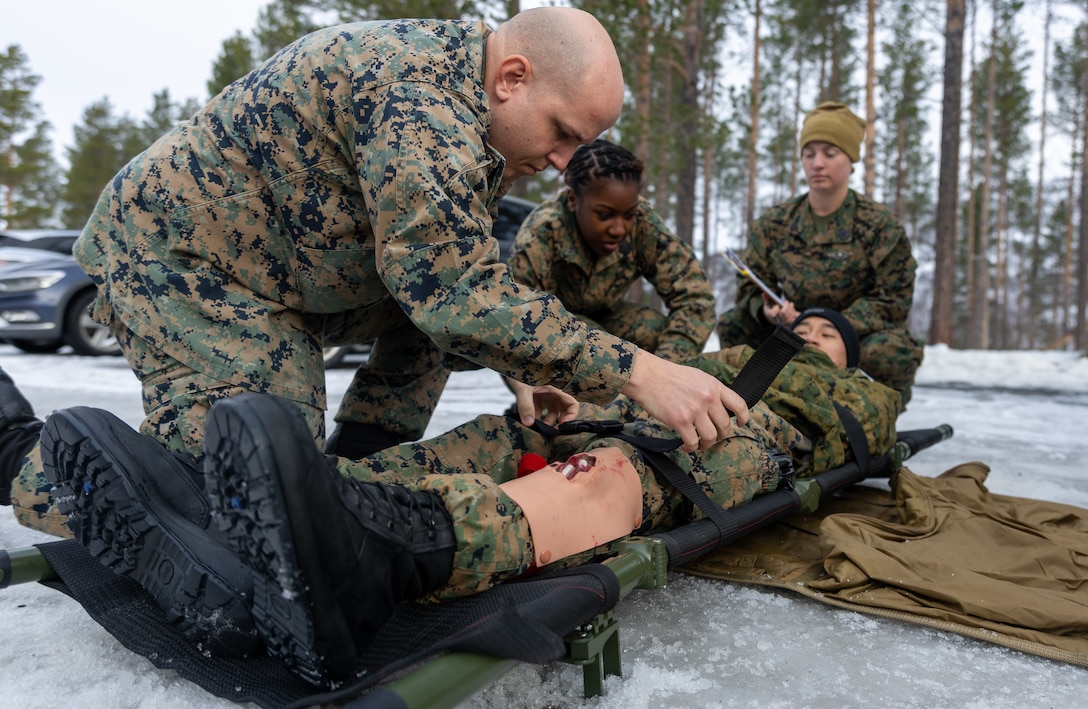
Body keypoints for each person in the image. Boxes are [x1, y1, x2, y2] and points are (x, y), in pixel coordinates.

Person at [3, 8, 750, 536]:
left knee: (412, 358)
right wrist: (642, 373)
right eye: (561, 134)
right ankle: (15, 449)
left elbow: (451, 277)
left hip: (288, 270)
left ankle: (356, 478)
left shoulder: (475, 115)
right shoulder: (416, 96)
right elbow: (454, 291)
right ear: (512, 77)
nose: (564, 163)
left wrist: (517, 367)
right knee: (231, 497)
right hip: (186, 263)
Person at [23, 308, 899, 686]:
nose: (810, 333)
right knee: (484, 441)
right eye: (803, 324)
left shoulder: (849, 393)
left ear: (845, 357)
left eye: (826, 333)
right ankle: (261, 519)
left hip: (730, 448)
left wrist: (821, 372)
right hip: (625, 421)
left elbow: (872, 429)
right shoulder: (721, 357)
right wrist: (580, 405)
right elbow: (646, 391)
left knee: (619, 479)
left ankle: (381, 563)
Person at [716, 101, 924, 405]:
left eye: (830, 153)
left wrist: (833, 328)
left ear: (851, 161)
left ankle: (875, 413)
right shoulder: (776, 223)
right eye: (809, 153)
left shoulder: (880, 226)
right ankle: (749, 404)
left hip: (853, 335)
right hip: (790, 329)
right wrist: (768, 310)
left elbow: (894, 299)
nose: (817, 163)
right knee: (734, 324)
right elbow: (750, 286)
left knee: (892, 351)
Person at [508, 139, 715, 361]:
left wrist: (666, 370)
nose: (619, 229)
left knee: (654, 331)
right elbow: (523, 321)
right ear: (573, 200)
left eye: (628, 215)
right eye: (604, 215)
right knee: (594, 343)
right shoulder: (543, 231)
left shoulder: (644, 222)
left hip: (609, 318)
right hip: (553, 331)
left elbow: (695, 299)